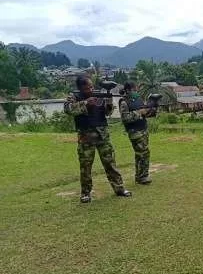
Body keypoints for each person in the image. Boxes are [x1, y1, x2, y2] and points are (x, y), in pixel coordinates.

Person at [64, 75, 132, 203]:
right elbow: (67, 109)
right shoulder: (74, 96)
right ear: (81, 88)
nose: (91, 89)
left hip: (102, 135)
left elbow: (107, 113)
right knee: (86, 167)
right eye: (87, 87)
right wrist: (86, 103)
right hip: (85, 136)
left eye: (91, 86)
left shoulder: (99, 95)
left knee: (110, 163)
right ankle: (85, 194)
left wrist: (109, 102)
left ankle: (119, 188)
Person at [119, 82, 154, 185]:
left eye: (136, 89)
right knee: (142, 153)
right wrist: (139, 113)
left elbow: (145, 113)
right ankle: (142, 177)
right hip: (134, 131)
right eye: (134, 89)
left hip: (143, 129)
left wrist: (150, 110)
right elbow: (125, 118)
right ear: (128, 90)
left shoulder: (139, 99)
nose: (136, 91)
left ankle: (142, 175)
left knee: (144, 153)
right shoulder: (124, 102)